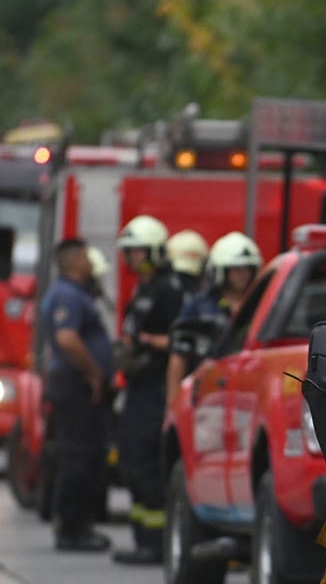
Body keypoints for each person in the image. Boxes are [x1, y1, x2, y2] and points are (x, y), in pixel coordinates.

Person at [111, 217, 191, 566]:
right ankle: (142, 538)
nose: (133, 258)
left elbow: (180, 340)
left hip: (156, 388)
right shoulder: (141, 289)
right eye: (129, 252)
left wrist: (146, 342)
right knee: (131, 461)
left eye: (139, 251)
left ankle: (156, 543)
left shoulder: (168, 290)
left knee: (147, 463)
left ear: (156, 251)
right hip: (137, 387)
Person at [42, 238, 114, 553]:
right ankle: (71, 529)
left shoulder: (75, 293)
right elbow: (67, 339)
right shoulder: (68, 295)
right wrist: (94, 372)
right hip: (76, 385)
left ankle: (80, 525)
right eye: (86, 257)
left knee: (86, 455)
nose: (90, 262)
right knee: (77, 456)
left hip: (78, 384)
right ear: (72, 261)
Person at [165, 232, 263, 399]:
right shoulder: (198, 306)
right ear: (220, 270)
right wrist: (173, 400)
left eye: (247, 268)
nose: (242, 274)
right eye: (236, 269)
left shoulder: (261, 305)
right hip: (205, 392)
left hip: (246, 392)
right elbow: (179, 356)